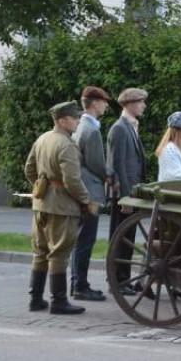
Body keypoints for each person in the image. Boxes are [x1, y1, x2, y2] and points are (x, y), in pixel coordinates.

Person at [24, 101, 95, 315]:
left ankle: (35, 299)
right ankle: (59, 302)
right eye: (74, 118)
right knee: (59, 253)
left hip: (41, 204)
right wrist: (85, 200)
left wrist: (42, 187)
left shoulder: (43, 138)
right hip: (62, 207)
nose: (77, 121)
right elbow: (72, 180)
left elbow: (29, 170)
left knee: (40, 252)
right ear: (63, 121)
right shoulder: (66, 144)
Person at [70, 86, 114, 302]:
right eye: (104, 101)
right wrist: (109, 174)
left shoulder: (79, 125)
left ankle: (77, 283)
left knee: (80, 239)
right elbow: (96, 162)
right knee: (86, 239)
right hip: (91, 193)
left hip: (80, 189)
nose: (106, 105)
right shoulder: (92, 129)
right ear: (95, 103)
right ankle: (80, 285)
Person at [107, 87, 148, 295]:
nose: (144, 106)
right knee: (120, 236)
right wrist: (124, 196)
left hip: (131, 193)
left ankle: (123, 278)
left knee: (128, 237)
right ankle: (116, 280)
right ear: (130, 104)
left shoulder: (131, 126)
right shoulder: (120, 128)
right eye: (141, 102)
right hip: (124, 194)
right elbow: (117, 165)